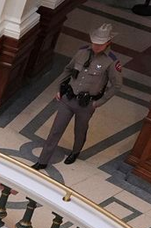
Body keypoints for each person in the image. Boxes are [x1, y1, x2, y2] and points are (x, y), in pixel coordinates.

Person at [34, 23, 121, 170]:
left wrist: (99, 102)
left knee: (80, 130)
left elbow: (117, 85)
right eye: (94, 43)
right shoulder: (82, 52)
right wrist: (59, 89)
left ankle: (75, 152)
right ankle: (42, 161)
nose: (96, 47)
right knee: (56, 129)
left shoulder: (111, 61)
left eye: (100, 44)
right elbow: (68, 70)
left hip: (87, 104)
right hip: (69, 98)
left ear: (108, 43)